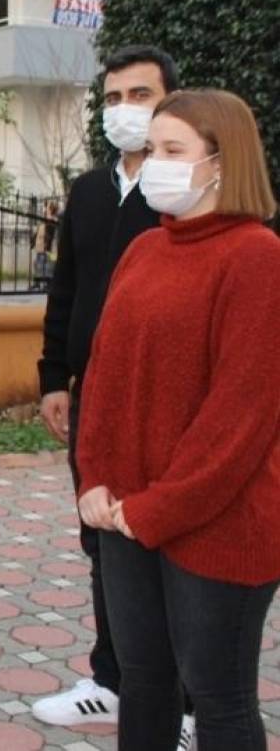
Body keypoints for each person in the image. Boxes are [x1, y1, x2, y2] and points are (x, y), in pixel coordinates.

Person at [76, 89, 279, 751]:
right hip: (125, 516)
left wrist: (157, 507)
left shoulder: (258, 257)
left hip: (219, 519)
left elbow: (240, 416)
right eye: (151, 147)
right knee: (143, 680)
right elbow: (104, 377)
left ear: (222, 162)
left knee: (218, 698)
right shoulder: (144, 250)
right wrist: (95, 478)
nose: (153, 162)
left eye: (172, 150)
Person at [33, 45, 183, 732]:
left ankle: (182, 702)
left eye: (140, 95)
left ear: (171, 100)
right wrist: (52, 377)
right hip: (92, 391)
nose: (125, 109)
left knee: (165, 543)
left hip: (163, 397)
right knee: (101, 537)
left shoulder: (181, 189)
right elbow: (65, 286)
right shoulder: (90, 191)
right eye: (115, 97)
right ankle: (112, 679)